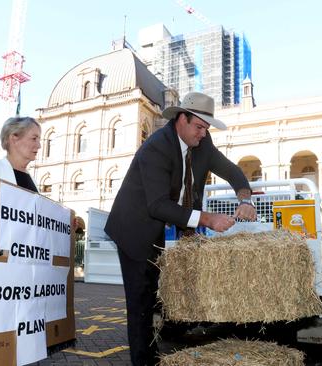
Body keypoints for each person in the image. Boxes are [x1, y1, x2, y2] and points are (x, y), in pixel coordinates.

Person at [104, 91, 257, 365]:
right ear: (181, 119)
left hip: (158, 229)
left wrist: (244, 198)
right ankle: (143, 361)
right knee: (140, 304)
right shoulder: (156, 147)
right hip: (134, 228)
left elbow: (232, 171)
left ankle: (153, 355)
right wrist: (207, 219)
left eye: (206, 129)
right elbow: (158, 206)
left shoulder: (203, 143)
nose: (202, 134)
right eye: (199, 127)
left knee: (153, 297)